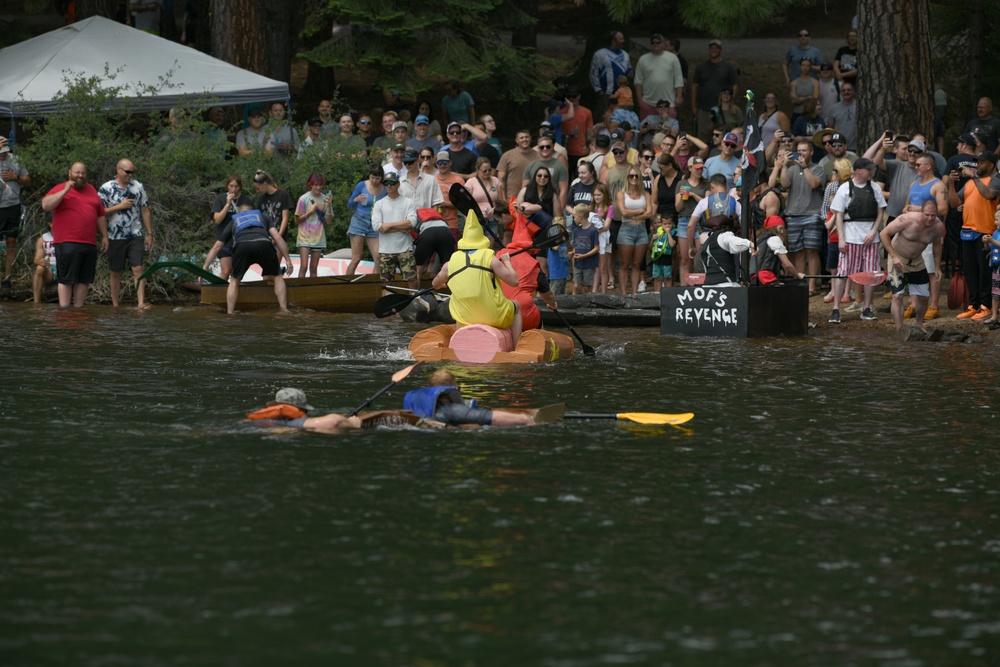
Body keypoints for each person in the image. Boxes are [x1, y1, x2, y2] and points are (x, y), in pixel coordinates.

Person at [433, 211, 522, 342]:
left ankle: (459, 344)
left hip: (466, 319)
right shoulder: (490, 259)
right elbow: (514, 282)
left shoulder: (449, 263)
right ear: (481, 239)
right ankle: (516, 347)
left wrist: (445, 284)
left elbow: (435, 285)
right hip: (493, 316)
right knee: (517, 306)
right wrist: (507, 262)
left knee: (460, 311)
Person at [827, 157, 887, 324]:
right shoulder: (845, 188)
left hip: (870, 237)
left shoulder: (874, 187)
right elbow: (838, 215)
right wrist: (841, 239)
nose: (871, 172)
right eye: (868, 169)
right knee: (843, 272)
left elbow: (880, 212)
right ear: (859, 170)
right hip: (850, 236)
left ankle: (867, 308)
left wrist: (874, 231)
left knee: (870, 273)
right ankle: (836, 309)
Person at [40, 162, 108, 308]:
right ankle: (64, 310)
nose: (80, 176)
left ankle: (78, 310)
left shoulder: (91, 190)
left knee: (84, 279)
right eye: (77, 172)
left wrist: (105, 236)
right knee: (66, 279)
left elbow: (100, 214)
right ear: (69, 173)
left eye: (83, 173)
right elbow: (46, 205)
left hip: (89, 243)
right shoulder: (61, 188)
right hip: (67, 242)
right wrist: (65, 191)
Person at [203, 204, 292, 314]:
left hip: (242, 246)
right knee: (277, 276)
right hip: (263, 243)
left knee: (235, 280)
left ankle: (230, 312)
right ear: (254, 211)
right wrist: (288, 260)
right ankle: (284, 309)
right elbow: (278, 237)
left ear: (239, 213)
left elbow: (217, 247)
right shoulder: (263, 217)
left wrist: (205, 267)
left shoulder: (234, 220)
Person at [946, 151, 1000, 320]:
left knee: (984, 272)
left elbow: (989, 195)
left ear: (991, 164)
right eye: (977, 162)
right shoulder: (969, 184)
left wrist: (973, 176)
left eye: (981, 162)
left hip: (986, 231)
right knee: (970, 271)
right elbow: (955, 203)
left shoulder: (996, 180)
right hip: (967, 231)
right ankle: (973, 305)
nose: (978, 165)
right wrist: (950, 185)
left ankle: (986, 306)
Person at [879, 201, 945, 332]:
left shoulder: (938, 226)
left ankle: (919, 324)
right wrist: (894, 256)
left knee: (924, 297)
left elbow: (937, 245)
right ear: (921, 212)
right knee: (897, 296)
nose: (930, 218)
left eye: (933, 215)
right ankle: (899, 329)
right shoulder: (908, 219)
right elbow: (884, 234)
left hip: (917, 260)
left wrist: (937, 267)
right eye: (927, 215)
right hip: (898, 257)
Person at [98, 158, 153, 309]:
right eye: (127, 172)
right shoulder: (106, 188)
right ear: (118, 170)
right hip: (115, 236)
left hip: (135, 233)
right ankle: (115, 304)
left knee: (138, 268)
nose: (130, 175)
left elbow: (145, 210)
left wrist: (149, 234)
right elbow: (99, 212)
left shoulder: (138, 187)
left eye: (132, 172)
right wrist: (119, 206)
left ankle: (140, 303)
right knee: (115, 271)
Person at [775, 139, 827, 295]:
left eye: (804, 150)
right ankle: (801, 284)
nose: (801, 153)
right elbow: (784, 184)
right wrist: (784, 166)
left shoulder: (818, 169)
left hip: (812, 214)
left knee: (811, 250)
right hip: (793, 215)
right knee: (798, 251)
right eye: (799, 150)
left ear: (811, 152)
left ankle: (812, 286)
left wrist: (804, 167)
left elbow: (814, 184)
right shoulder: (791, 169)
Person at [403, 369, 534, 427]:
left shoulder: (415, 409)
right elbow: (490, 417)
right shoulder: (453, 410)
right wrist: (524, 419)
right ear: (455, 389)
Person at [903, 152, 948, 319]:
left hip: (930, 232)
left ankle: (934, 305)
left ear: (928, 166)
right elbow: (907, 205)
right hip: (911, 233)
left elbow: (943, 209)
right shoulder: (913, 184)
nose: (915, 166)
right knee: (913, 268)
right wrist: (907, 210)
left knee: (931, 268)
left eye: (918, 164)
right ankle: (914, 304)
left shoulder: (938, 186)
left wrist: (918, 210)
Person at [498, 205, 558, 330]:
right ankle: (538, 341)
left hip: (495, 309)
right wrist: (553, 305)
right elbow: (547, 295)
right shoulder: (533, 265)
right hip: (522, 313)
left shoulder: (499, 255)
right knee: (537, 318)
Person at [371, 171, 419, 288]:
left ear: (398, 184)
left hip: (405, 249)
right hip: (386, 250)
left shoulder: (408, 202)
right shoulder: (379, 204)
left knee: (412, 280)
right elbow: (377, 226)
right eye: (386, 183)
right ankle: (388, 305)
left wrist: (389, 226)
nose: (388, 186)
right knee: (387, 283)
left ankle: (416, 303)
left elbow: (412, 222)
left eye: (391, 183)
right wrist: (401, 228)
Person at [247, 388, 361, 433]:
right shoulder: (294, 423)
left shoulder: (257, 423)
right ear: (301, 409)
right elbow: (333, 422)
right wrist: (352, 423)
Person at [690, 39, 739, 143]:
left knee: (721, 134)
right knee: (702, 135)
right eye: (711, 48)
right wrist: (694, 106)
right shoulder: (701, 67)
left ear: (720, 50)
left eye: (716, 48)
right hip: (703, 108)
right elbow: (695, 86)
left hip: (722, 109)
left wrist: (730, 102)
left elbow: (735, 85)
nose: (714, 50)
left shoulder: (728, 67)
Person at [0, 141, 30, 296]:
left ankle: (7, 278)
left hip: (12, 206)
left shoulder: (16, 160)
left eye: (5, 150)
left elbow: (27, 180)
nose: (3, 154)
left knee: (11, 241)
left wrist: (15, 177)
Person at [210, 174, 254, 280]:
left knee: (237, 272)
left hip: (241, 239)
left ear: (240, 187)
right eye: (231, 186)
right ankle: (219, 293)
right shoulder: (220, 199)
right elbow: (217, 219)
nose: (233, 189)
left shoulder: (246, 200)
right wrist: (227, 204)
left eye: (236, 186)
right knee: (226, 271)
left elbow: (252, 219)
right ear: (227, 186)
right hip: (224, 239)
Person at [615, 165, 651, 294]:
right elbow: (623, 212)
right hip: (626, 229)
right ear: (627, 177)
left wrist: (634, 213)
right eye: (631, 176)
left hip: (641, 229)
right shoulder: (621, 193)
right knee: (624, 264)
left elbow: (649, 213)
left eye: (636, 176)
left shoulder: (645, 194)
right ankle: (624, 294)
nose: (634, 178)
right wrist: (640, 211)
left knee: (637, 264)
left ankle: (635, 293)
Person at [346, 163, 386, 276]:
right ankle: (347, 284)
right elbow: (349, 205)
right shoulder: (361, 185)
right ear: (369, 176)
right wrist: (356, 200)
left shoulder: (384, 189)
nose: (374, 181)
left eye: (377, 178)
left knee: (378, 258)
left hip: (375, 223)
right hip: (359, 220)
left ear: (381, 178)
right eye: (372, 177)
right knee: (356, 258)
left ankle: (374, 285)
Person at [634, 33, 684, 119]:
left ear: (664, 43)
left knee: (669, 130)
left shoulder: (673, 58)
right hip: (648, 102)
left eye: (658, 42)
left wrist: (679, 97)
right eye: (653, 42)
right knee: (648, 129)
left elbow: (678, 79)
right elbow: (638, 81)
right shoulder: (643, 59)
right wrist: (640, 101)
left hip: (668, 103)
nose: (655, 44)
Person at [294, 172, 331, 278]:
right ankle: (299, 290)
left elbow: (328, 221)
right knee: (304, 266)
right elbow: (297, 220)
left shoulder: (325, 199)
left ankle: (312, 291)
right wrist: (310, 212)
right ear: (310, 185)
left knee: (313, 268)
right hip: (304, 235)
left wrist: (329, 206)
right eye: (315, 185)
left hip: (318, 236)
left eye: (320, 185)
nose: (318, 187)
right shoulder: (303, 199)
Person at [701, 214, 753, 286]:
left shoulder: (706, 243)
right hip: (726, 285)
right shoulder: (725, 235)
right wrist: (750, 244)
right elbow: (734, 241)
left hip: (708, 285)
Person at [590, 30, 633, 116]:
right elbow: (593, 73)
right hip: (607, 93)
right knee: (604, 116)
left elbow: (629, 69)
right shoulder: (600, 54)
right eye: (621, 39)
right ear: (613, 41)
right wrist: (598, 90)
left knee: (622, 117)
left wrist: (630, 74)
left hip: (623, 94)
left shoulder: (625, 54)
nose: (623, 41)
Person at [752, 215, 805, 285]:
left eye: (783, 229)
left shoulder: (759, 240)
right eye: (780, 228)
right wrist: (797, 275)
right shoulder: (775, 239)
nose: (782, 232)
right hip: (766, 277)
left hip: (754, 278)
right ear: (773, 227)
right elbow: (787, 264)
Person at [252, 169, 294, 249]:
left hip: (279, 234)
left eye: (258, 188)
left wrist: (278, 236)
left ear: (265, 184)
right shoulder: (261, 198)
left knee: (275, 260)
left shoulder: (282, 194)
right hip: (266, 237)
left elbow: (285, 217)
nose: (257, 191)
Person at [497, 129, 538, 205]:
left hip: (533, 200)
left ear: (530, 138)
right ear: (516, 140)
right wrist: (503, 199)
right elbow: (501, 180)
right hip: (511, 200)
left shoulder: (538, 156)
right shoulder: (507, 155)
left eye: (527, 137)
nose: (524, 139)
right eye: (521, 138)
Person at [434, 151, 467, 242]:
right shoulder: (432, 180)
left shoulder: (458, 180)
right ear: (436, 164)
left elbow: (463, 203)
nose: (442, 165)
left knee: (453, 253)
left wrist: (445, 204)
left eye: (445, 162)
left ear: (450, 163)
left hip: (453, 224)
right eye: (440, 163)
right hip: (435, 223)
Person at [568, 204, 599, 294]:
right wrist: (572, 252)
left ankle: (587, 305)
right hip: (578, 264)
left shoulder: (593, 230)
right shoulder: (576, 230)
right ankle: (574, 302)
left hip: (589, 264)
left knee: (587, 287)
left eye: (574, 217)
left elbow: (597, 248)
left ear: (580, 217)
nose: (573, 219)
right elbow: (577, 246)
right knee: (576, 286)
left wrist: (584, 256)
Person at [589, 182, 614, 292]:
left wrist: (594, 229)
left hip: (605, 240)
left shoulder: (610, 207)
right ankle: (594, 290)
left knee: (603, 267)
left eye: (599, 194)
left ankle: (604, 292)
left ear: (604, 195)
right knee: (595, 267)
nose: (597, 197)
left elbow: (606, 226)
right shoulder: (592, 207)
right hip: (594, 240)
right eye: (595, 195)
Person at [825, 82, 857, 151]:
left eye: (849, 90)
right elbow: (829, 129)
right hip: (838, 147)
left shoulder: (860, 106)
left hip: (857, 147)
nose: (846, 92)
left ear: (854, 92)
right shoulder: (834, 108)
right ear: (841, 93)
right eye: (843, 90)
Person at [32, 218, 56, 303]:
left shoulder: (66, 236)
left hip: (63, 268)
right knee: (39, 268)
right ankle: (36, 302)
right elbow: (36, 260)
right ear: (50, 224)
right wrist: (40, 261)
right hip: (49, 270)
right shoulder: (43, 238)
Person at [984, 209, 1000, 325]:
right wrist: (986, 241)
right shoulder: (995, 233)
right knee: (995, 292)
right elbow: (988, 248)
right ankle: (994, 316)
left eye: (997, 220)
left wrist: (992, 241)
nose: (995, 222)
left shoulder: (995, 236)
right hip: (996, 266)